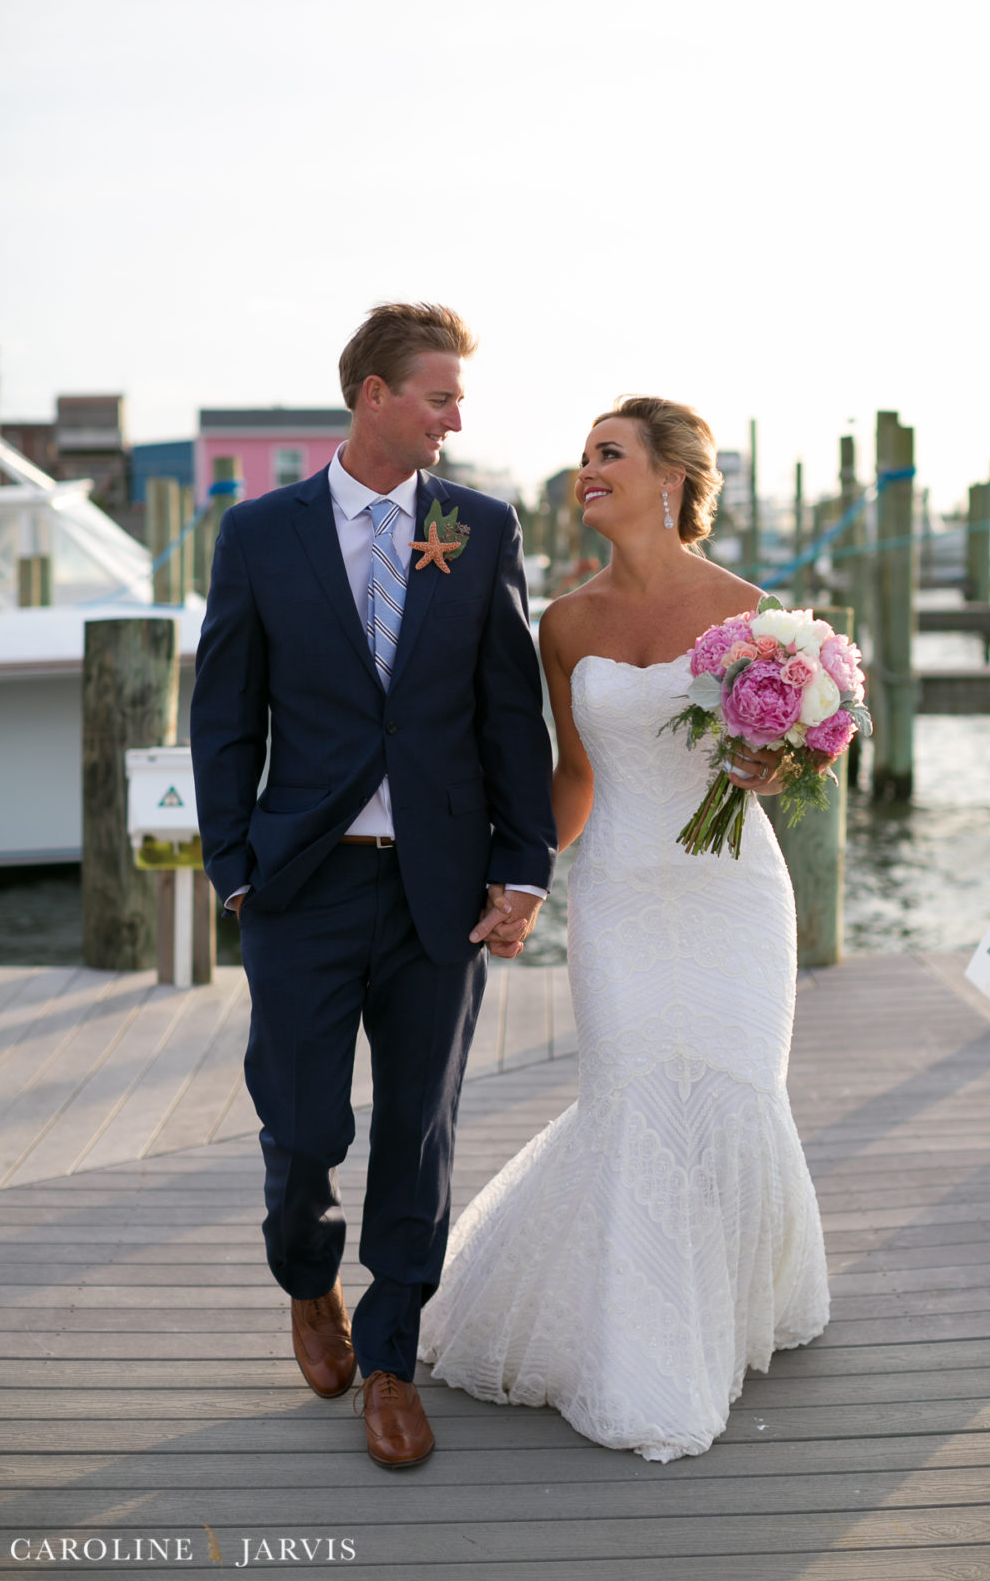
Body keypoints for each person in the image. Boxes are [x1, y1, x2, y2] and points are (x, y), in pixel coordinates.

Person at [418, 396, 829, 1462]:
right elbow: (575, 772)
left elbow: (784, 759)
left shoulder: (755, 619)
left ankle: (723, 1307)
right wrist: (522, 884)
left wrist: (776, 764)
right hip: (617, 894)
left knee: (732, 1088)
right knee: (636, 1095)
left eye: (609, 454)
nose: (585, 470)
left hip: (732, 891)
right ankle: (646, 1351)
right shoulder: (564, 622)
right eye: (583, 455)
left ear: (672, 479)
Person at [190, 303, 556, 1470]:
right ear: (372, 397)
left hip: (439, 889)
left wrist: (521, 865)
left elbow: (510, 711)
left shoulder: (478, 526)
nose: (457, 417)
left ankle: (390, 1358)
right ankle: (308, 1279)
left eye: (458, 397)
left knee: (420, 1130)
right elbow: (223, 717)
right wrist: (233, 867)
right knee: (303, 1128)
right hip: (300, 883)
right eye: (440, 396)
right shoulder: (259, 534)